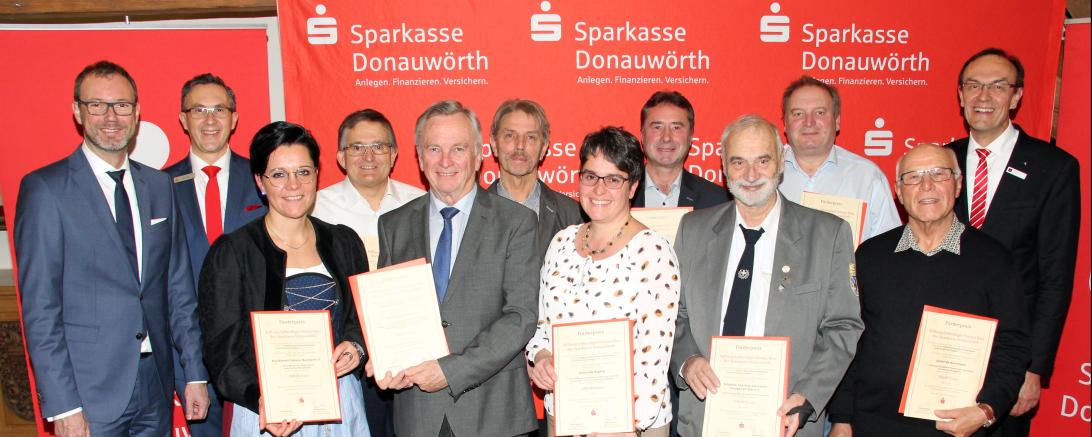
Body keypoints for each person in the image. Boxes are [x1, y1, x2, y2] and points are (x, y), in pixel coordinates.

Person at [15, 60, 209, 436]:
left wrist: (194, 373)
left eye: (121, 105)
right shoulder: (46, 190)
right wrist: (63, 404)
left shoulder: (159, 187)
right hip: (88, 394)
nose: (110, 116)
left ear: (136, 113)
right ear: (77, 111)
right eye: (97, 105)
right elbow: (41, 309)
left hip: (156, 383)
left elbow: (178, 291)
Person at [671, 115, 863, 437]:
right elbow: (674, 314)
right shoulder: (693, 230)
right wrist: (687, 360)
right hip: (706, 419)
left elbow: (843, 326)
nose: (750, 175)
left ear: (781, 163)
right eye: (738, 162)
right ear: (723, 167)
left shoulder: (828, 235)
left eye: (762, 160)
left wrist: (808, 396)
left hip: (786, 419)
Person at [827, 144, 1030, 437]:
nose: (926, 185)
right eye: (913, 177)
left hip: (957, 426)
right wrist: (842, 417)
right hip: (874, 424)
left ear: (958, 184)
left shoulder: (994, 260)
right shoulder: (870, 256)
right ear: (898, 190)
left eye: (939, 174)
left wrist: (986, 409)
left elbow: (1013, 346)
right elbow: (850, 339)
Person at [373, 100, 539, 436]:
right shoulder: (393, 225)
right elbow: (387, 314)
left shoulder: (517, 223)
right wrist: (381, 356)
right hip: (417, 414)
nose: (445, 161)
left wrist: (450, 371)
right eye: (434, 148)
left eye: (458, 149)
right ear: (419, 157)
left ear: (479, 155)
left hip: (494, 414)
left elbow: (520, 316)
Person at [198, 122, 374, 437]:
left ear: (317, 175)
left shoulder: (344, 243)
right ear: (260, 182)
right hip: (269, 410)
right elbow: (221, 352)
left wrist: (356, 347)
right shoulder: (234, 253)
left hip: (341, 404)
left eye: (303, 172)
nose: (294, 185)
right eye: (279, 175)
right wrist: (261, 399)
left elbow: (361, 319)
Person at [945, 48, 1080, 437]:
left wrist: (1033, 367)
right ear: (960, 95)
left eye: (997, 86)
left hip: (1010, 353)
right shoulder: (941, 162)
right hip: (944, 348)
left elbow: (1055, 277)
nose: (983, 96)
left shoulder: (1054, 168)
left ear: (1016, 96)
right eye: (973, 85)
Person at [526, 126, 681, 437]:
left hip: (630, 426)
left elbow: (654, 358)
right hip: (566, 414)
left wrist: (625, 425)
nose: (598, 189)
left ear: (633, 186)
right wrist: (541, 356)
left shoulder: (653, 251)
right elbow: (542, 327)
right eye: (590, 176)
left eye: (613, 179)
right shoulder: (560, 243)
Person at [163, 72, 266, 437]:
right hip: (187, 356)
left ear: (234, 117)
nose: (210, 120)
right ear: (183, 119)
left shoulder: (264, 180)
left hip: (256, 355)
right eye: (199, 110)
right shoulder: (158, 187)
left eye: (219, 109)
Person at [778, 76, 901, 241]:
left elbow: (887, 247)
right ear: (785, 124)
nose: (809, 122)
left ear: (837, 121)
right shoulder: (763, 175)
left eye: (820, 112)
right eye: (798, 113)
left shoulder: (868, 177)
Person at [487, 98, 584, 257]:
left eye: (530, 137)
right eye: (510, 135)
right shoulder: (470, 214)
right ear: (494, 143)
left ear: (544, 146)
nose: (520, 145)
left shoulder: (572, 215)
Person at [312, 108, 425, 244]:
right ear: (342, 158)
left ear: (393, 155)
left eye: (378, 147)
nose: (369, 157)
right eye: (357, 148)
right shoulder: (316, 209)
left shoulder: (420, 204)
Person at [632, 90, 729, 209]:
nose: (666, 137)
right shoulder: (618, 194)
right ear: (642, 134)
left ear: (690, 136)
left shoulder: (717, 201)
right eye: (657, 127)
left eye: (676, 127)